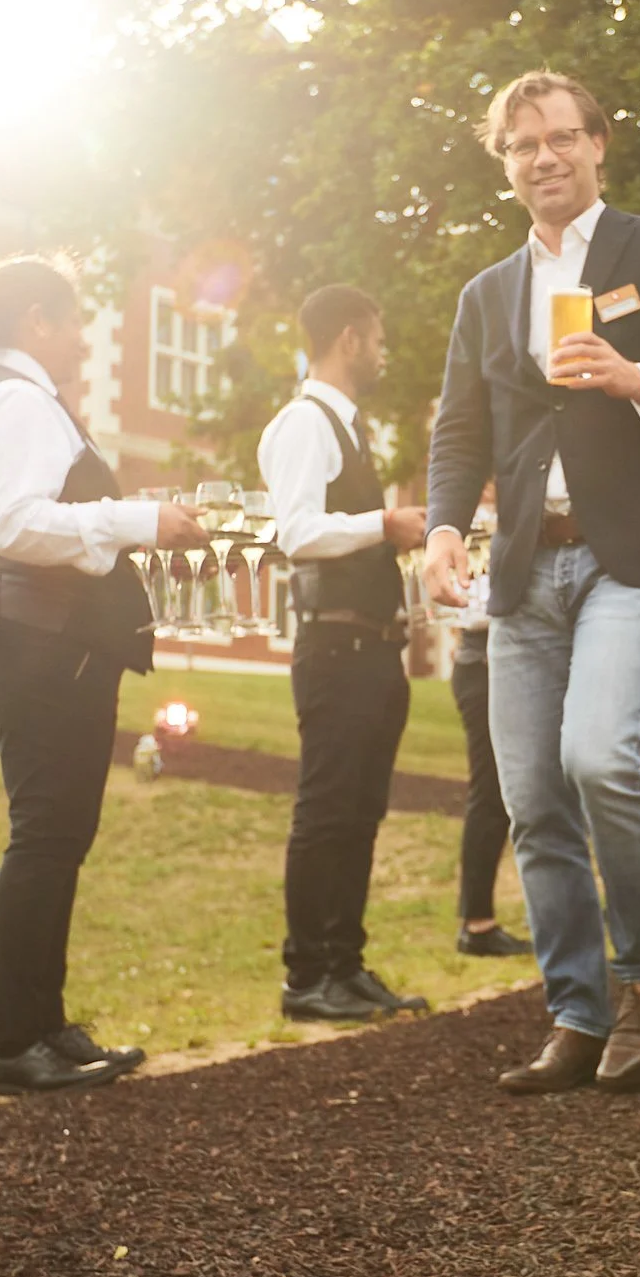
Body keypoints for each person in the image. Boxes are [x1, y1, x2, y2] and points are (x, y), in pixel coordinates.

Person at [423, 69, 640, 1096]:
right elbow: (458, 428)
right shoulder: (488, 293)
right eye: (521, 146)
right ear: (506, 164)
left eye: (560, 138)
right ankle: (574, 1010)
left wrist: (636, 379)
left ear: (598, 144)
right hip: (528, 565)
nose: (543, 159)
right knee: (530, 796)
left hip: (635, 555)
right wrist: (443, 525)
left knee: (598, 756)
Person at [0, 257, 207, 1096]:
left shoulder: (20, 398)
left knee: (58, 838)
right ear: (34, 320)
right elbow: (15, 524)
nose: (87, 338)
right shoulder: (16, 400)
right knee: (46, 836)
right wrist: (140, 519)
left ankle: (43, 1026)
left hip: (56, 642)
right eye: (75, 320)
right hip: (42, 643)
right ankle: (11, 1042)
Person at [256, 284, 432, 1024]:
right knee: (327, 811)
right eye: (379, 336)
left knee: (361, 813)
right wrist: (384, 522)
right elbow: (295, 531)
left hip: (373, 649)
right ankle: (307, 976)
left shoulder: (348, 428)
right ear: (350, 339)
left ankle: (346, 965)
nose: (385, 351)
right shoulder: (304, 423)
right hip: (335, 645)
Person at [448, 484, 534, 958]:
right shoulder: (473, 528)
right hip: (483, 667)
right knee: (491, 791)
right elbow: (470, 608)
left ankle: (482, 920)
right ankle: (476, 924)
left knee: (505, 793)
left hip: (504, 662)